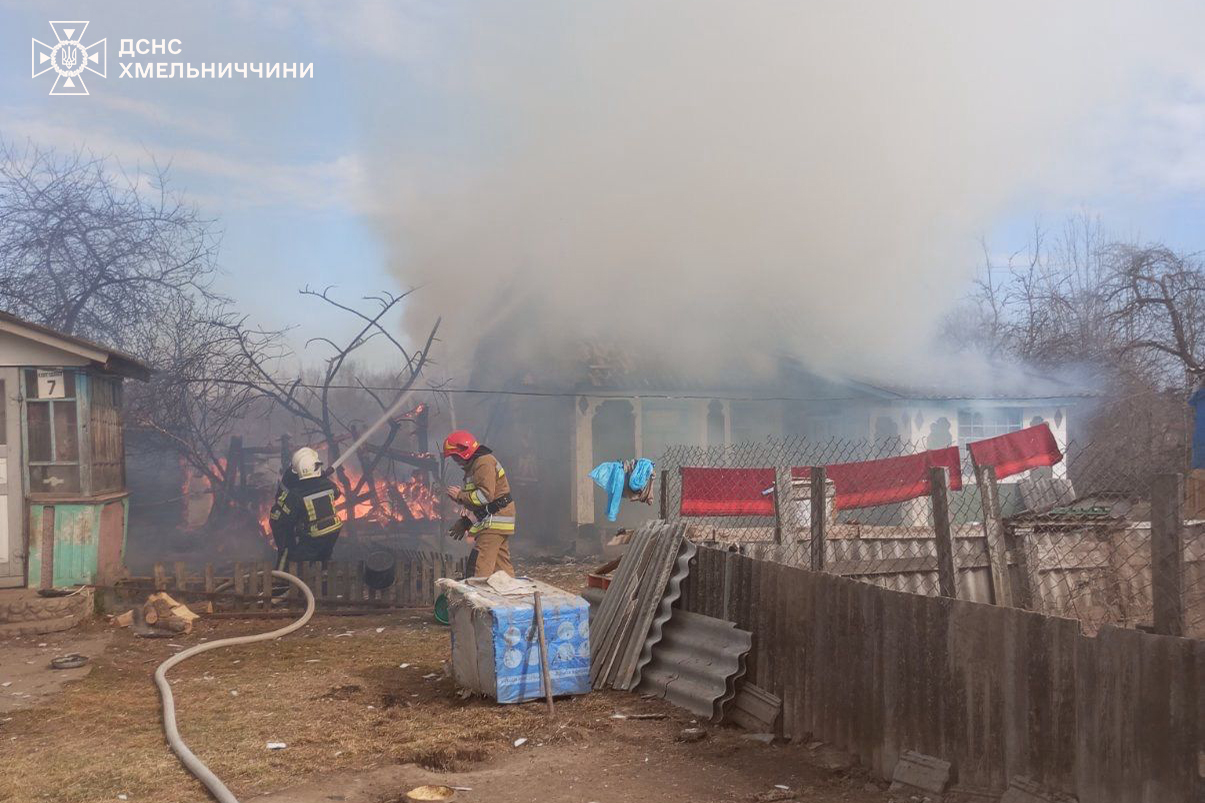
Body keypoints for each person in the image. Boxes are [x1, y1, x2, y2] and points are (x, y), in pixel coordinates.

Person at [443, 430, 516, 577]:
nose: (455, 461)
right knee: (501, 570)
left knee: (478, 568)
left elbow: (484, 497)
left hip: (494, 522)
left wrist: (460, 495)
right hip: (495, 519)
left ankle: (477, 598)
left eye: (455, 457)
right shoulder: (477, 464)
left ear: (463, 452)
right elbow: (485, 504)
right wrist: (466, 521)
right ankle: (512, 597)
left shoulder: (483, 463)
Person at [269, 447, 344, 566]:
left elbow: (287, 518)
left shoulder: (297, 494)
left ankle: (288, 577)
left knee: (296, 561)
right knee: (324, 555)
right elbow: (337, 493)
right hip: (334, 529)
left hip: (314, 535)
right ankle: (324, 572)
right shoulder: (328, 484)